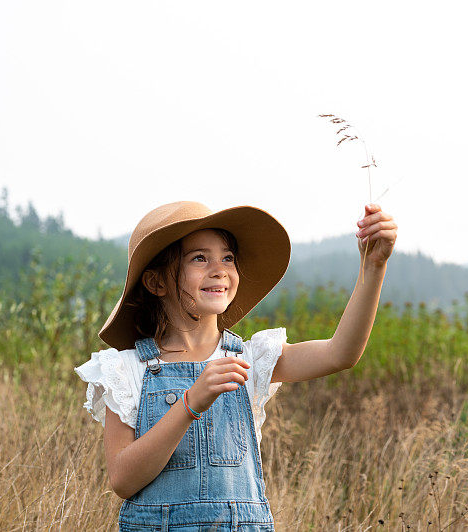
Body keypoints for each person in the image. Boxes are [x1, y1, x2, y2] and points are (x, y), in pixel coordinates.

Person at [74, 200, 397, 531]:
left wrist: (373, 268)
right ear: (156, 283)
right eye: (199, 258)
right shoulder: (126, 370)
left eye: (227, 257)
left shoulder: (250, 359)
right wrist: (189, 404)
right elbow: (123, 480)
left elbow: (339, 354)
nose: (219, 269)